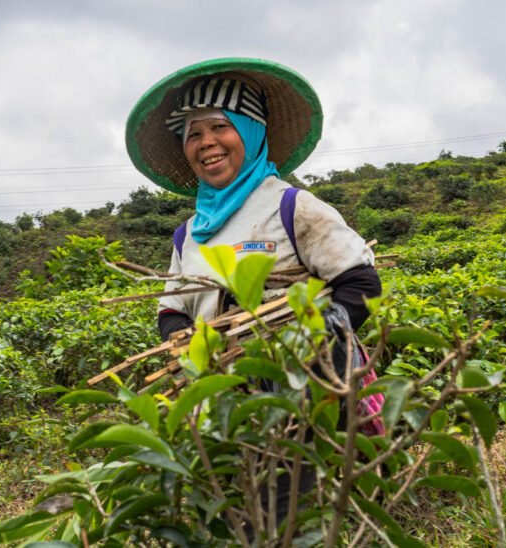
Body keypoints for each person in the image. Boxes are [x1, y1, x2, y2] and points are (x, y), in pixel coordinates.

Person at [124, 57, 382, 532]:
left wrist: (307, 348)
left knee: (300, 510)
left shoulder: (291, 205)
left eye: (219, 127)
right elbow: (172, 309)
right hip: (222, 394)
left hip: (303, 390)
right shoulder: (188, 235)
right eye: (192, 134)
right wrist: (186, 341)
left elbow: (360, 283)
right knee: (237, 503)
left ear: (251, 129)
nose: (205, 144)